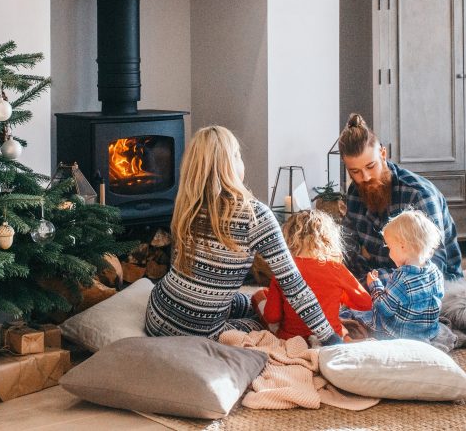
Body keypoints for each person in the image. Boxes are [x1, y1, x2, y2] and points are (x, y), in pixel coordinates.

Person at [145, 125, 342, 346]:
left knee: (248, 301)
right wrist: (331, 338)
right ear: (230, 164)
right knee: (264, 322)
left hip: (157, 313)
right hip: (197, 333)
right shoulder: (254, 214)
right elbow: (293, 284)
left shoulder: (188, 207)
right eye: (238, 155)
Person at [339, 113, 464, 281]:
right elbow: (347, 249)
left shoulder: (418, 194)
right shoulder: (355, 192)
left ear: (383, 154)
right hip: (381, 282)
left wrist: (379, 281)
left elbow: (433, 265)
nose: (365, 177)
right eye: (355, 171)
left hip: (431, 285)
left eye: (371, 166)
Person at [259, 209, 372, 341]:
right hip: (331, 338)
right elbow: (365, 303)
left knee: (259, 295)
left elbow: (272, 316)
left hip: (291, 339)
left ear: (287, 238)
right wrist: (338, 295)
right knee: (350, 328)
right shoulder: (336, 268)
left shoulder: (284, 270)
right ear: (328, 239)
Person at [343, 209, 445, 342]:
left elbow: (385, 309)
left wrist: (375, 285)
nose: (389, 253)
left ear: (403, 247)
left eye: (390, 247)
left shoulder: (401, 278)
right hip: (427, 331)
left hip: (397, 334)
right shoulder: (434, 271)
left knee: (356, 312)